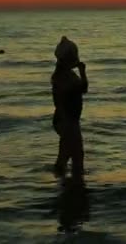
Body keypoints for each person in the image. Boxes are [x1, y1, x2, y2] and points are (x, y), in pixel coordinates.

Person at [51, 36, 89, 176]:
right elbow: (62, 99)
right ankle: (75, 183)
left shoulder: (68, 74)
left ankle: (65, 182)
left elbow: (83, 89)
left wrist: (82, 72)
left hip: (70, 120)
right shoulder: (61, 77)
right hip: (66, 120)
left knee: (67, 153)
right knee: (76, 154)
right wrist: (66, 123)